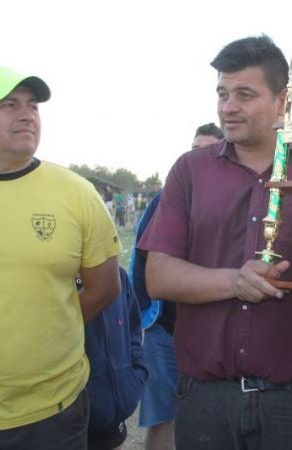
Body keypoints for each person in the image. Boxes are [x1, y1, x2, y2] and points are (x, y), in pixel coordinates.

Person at [137, 35, 292, 450]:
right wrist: (235, 282)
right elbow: (159, 276)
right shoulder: (191, 172)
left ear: (283, 100)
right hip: (207, 396)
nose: (228, 107)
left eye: (245, 94)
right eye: (223, 94)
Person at [0, 66, 121, 449]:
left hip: (53, 411)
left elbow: (104, 289)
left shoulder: (77, 193)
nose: (27, 114)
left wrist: (45, 327)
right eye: (9, 105)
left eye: (32, 106)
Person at [131, 122, 222, 450]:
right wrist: (142, 317)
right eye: (194, 149)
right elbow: (140, 263)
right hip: (164, 331)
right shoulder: (165, 199)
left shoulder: (237, 202)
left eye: (207, 151)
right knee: (162, 417)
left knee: (210, 417)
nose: (198, 158)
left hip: (213, 333)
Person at [84, 267, 148, 450]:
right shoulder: (56, 281)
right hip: (72, 420)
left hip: (114, 412)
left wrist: (135, 376)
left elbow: (134, 332)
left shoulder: (117, 275)